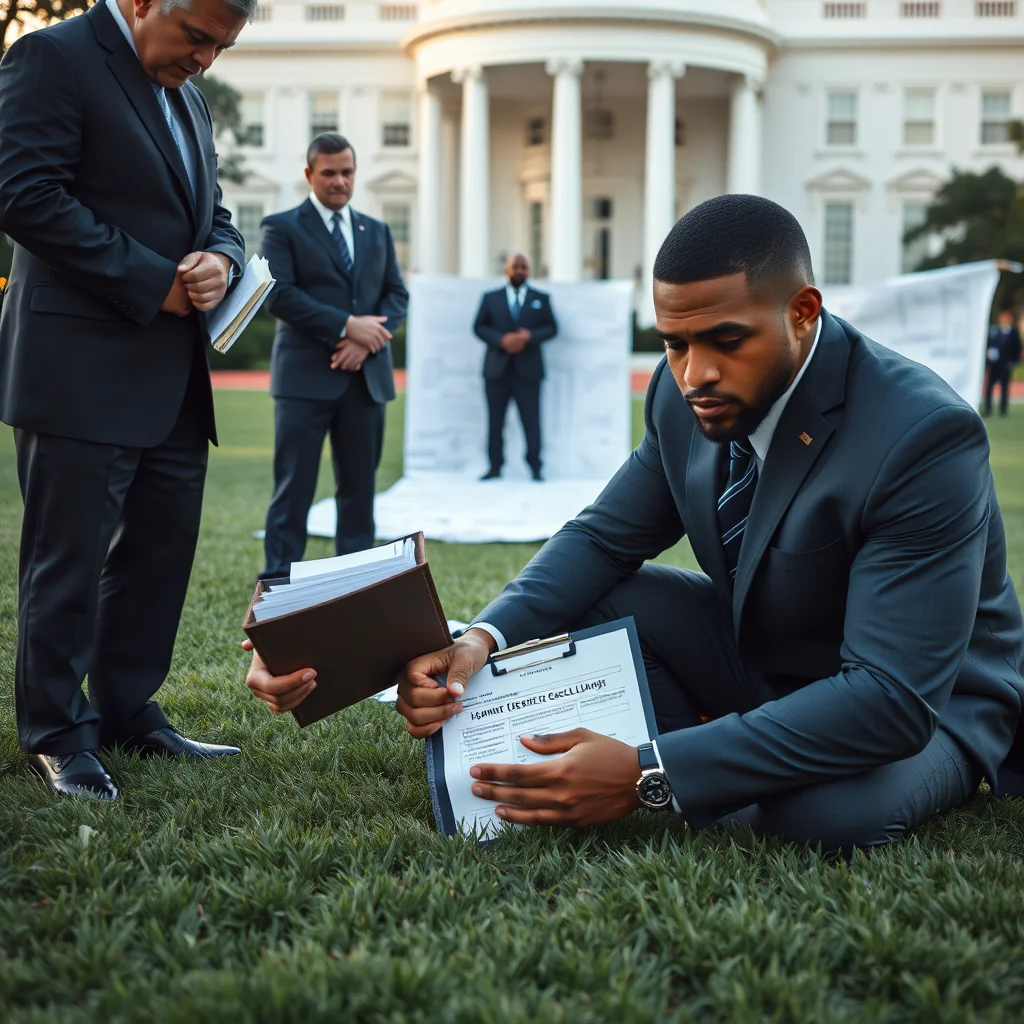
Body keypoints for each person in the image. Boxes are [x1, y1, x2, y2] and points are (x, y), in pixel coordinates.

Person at [244, 195, 1024, 854]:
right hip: (768, 651)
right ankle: (726, 743)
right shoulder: (678, 393)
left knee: (824, 817)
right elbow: (602, 538)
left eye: (726, 342)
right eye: (674, 344)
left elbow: (891, 696)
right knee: (594, 594)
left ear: (802, 311)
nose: (695, 375)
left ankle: (707, 749)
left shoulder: (923, 435)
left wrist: (653, 771)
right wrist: (478, 641)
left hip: (930, 702)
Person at [0, 0, 253, 801]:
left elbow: (212, 210)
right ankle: (54, 731)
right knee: (67, 559)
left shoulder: (186, 90)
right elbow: (23, 193)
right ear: (143, 3)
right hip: (77, 365)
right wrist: (154, 283)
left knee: (159, 552)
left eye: (222, 46)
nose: (207, 59)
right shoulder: (51, 58)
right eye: (198, 37)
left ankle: (125, 712)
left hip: (172, 374)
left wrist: (221, 256)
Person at [259, 133, 408, 578]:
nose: (339, 181)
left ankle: (353, 589)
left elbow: (397, 294)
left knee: (359, 494)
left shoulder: (376, 231)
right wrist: (346, 326)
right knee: (293, 492)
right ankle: (278, 592)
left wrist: (366, 340)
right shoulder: (281, 227)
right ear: (309, 174)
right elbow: (278, 294)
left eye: (347, 172)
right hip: (304, 381)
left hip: (365, 382)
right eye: (329, 173)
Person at [473, 253, 558, 481]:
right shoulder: (490, 298)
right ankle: (494, 466)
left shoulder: (541, 298)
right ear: (506, 270)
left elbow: (552, 328)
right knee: (495, 421)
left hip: (528, 371)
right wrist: (501, 340)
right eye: (515, 266)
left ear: (529, 270)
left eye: (523, 267)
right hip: (496, 370)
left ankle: (535, 466)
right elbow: (479, 327)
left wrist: (529, 336)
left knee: (531, 420)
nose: (519, 270)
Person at [984, 310, 1021, 418]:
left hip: (1006, 364)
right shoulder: (994, 330)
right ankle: (988, 408)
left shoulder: (1013, 332)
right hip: (994, 364)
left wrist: (1014, 361)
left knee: (1005, 387)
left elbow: (1017, 347)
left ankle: (1003, 409)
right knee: (989, 386)